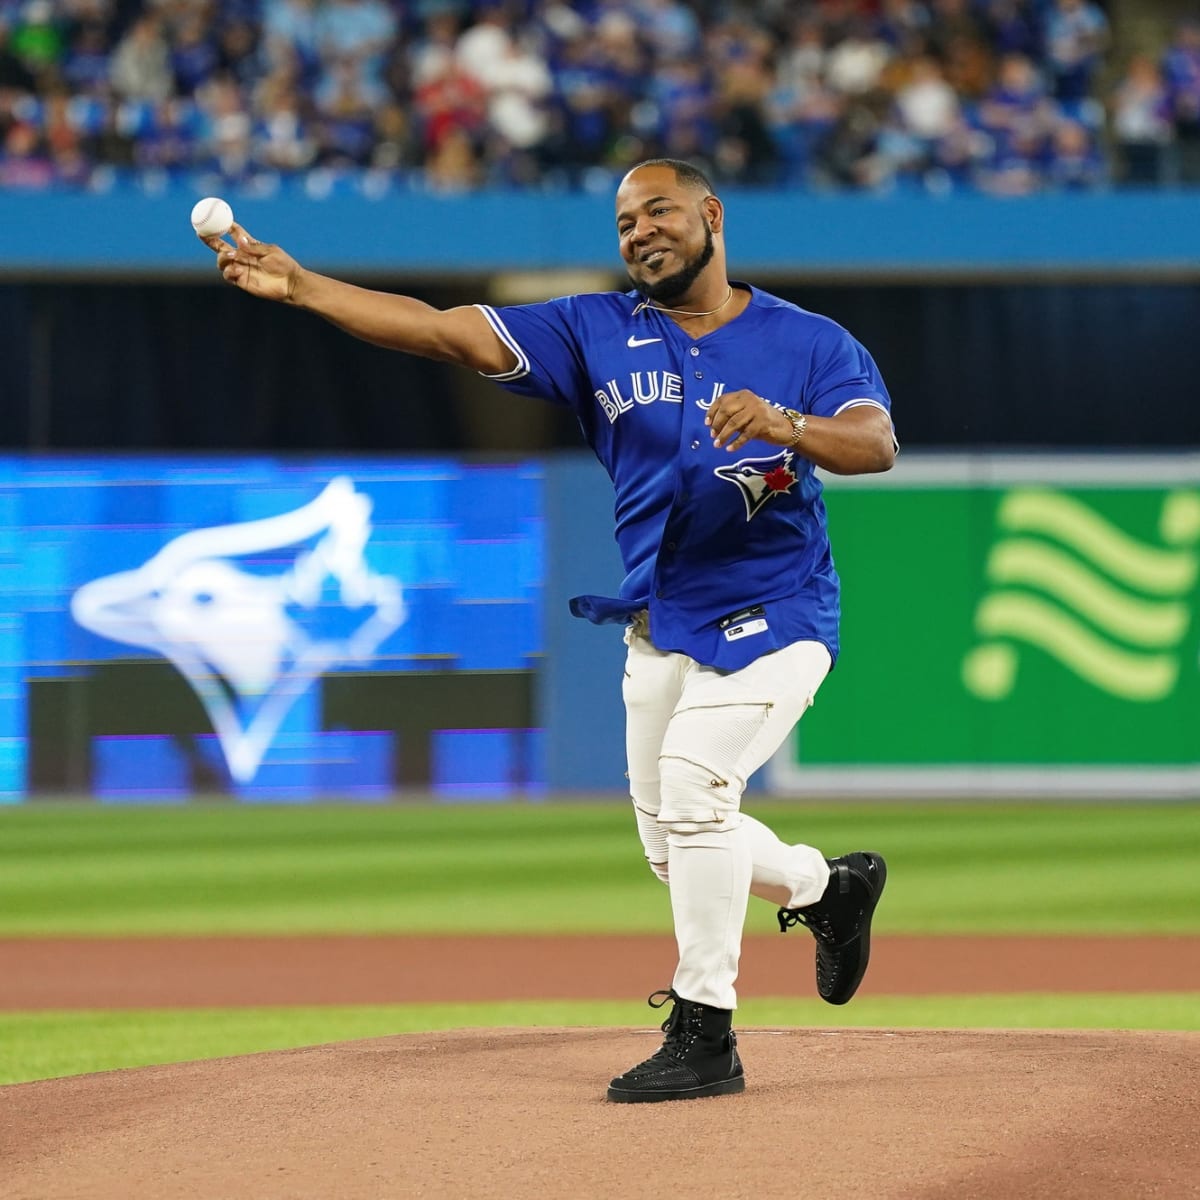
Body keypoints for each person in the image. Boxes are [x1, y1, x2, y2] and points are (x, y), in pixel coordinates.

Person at [202, 157, 895, 1103]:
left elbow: (875, 443)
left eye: (659, 211)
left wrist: (787, 423)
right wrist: (304, 287)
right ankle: (828, 890)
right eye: (623, 223)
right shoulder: (592, 330)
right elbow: (445, 333)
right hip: (661, 621)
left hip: (779, 613)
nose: (640, 231)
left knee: (698, 792)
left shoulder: (807, 342)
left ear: (712, 214)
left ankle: (706, 1033)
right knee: (673, 842)